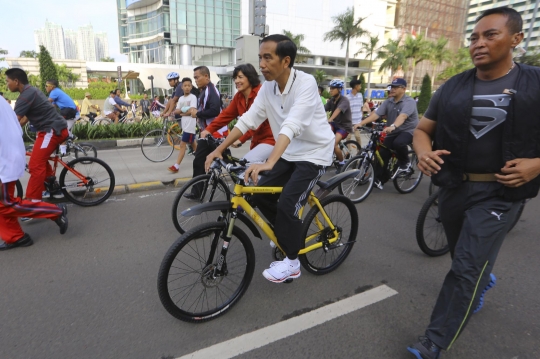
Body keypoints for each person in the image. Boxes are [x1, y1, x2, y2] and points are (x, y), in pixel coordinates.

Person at [408, 7, 540, 359]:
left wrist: (536, 164)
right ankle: (483, 279)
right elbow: (422, 131)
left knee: (465, 267)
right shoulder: (453, 86)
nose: (478, 43)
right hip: (453, 187)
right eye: (474, 37)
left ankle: (433, 342)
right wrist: (423, 154)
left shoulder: (535, 82)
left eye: (490, 35)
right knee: (464, 259)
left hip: (501, 193)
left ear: (516, 39)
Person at [205, 34, 334, 283]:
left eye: (267, 58)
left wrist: (270, 161)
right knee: (256, 193)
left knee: (288, 203)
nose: (261, 64)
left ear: (286, 61)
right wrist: (219, 149)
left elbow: (293, 123)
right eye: (260, 58)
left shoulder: (305, 83)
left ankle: (293, 263)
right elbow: (248, 120)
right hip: (288, 151)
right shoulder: (267, 88)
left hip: (314, 154)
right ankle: (286, 234)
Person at [0, 96, 68, 251]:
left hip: (5, 160)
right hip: (10, 155)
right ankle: (15, 237)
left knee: (6, 203)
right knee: (3, 203)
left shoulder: (27, 96)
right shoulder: (5, 101)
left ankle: (54, 211)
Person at [198, 63, 275, 180]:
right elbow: (226, 115)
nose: (236, 81)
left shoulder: (260, 92)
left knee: (247, 165)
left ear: (250, 77)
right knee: (254, 170)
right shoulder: (239, 96)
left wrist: (241, 139)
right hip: (257, 141)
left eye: (240, 77)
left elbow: (255, 122)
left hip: (272, 139)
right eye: (235, 78)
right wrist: (209, 129)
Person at [6, 68, 69, 201]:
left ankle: (33, 203)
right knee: (40, 160)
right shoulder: (31, 91)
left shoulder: (25, 96)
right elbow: (23, 120)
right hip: (49, 130)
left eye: (8, 81)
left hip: (51, 130)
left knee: (35, 165)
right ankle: (53, 186)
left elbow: (13, 121)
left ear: (16, 81)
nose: (7, 84)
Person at [353, 78, 419, 189]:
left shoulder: (409, 102)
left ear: (404, 89)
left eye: (395, 87)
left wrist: (393, 126)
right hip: (393, 131)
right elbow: (376, 115)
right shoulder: (389, 101)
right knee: (382, 153)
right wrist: (361, 123)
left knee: (399, 143)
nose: (392, 89)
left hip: (409, 130)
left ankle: (405, 164)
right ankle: (380, 179)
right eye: (391, 87)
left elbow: (402, 116)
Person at [188, 66, 222, 194]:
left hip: (216, 133)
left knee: (226, 160)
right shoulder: (204, 91)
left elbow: (215, 110)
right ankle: (196, 192)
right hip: (207, 133)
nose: (195, 80)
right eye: (194, 78)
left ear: (206, 77)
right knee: (199, 161)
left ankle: (244, 185)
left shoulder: (211, 90)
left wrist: (198, 114)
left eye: (197, 77)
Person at [167, 77, 198, 174]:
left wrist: (182, 112)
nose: (187, 87)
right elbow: (176, 111)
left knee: (182, 145)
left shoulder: (193, 97)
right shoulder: (180, 98)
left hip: (190, 125)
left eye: (189, 85)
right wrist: (185, 111)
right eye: (185, 86)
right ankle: (204, 160)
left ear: (191, 87)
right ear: (182, 87)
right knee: (193, 145)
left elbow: (192, 111)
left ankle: (176, 166)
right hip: (185, 126)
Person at [325, 79, 353, 172]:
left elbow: (338, 110)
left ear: (340, 89)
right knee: (324, 138)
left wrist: (330, 118)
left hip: (344, 127)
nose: (331, 90)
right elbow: (322, 109)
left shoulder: (344, 100)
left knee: (333, 144)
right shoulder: (332, 100)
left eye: (333, 88)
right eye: (330, 88)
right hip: (335, 124)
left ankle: (342, 164)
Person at [346, 79, 364, 146]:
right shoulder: (347, 97)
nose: (360, 87)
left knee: (358, 137)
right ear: (356, 86)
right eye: (360, 86)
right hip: (350, 121)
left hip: (358, 121)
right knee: (348, 137)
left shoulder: (360, 95)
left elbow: (361, 107)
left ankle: (359, 152)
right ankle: (348, 152)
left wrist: (361, 116)